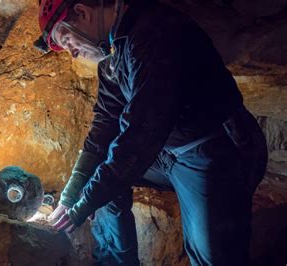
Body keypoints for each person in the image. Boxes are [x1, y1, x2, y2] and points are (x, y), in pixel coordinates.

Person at [37, 0, 268, 265]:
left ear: (83, 12)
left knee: (213, 258)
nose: (73, 53)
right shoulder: (114, 50)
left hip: (212, 149)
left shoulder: (154, 34)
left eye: (67, 41)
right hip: (167, 151)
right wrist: (72, 194)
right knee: (96, 177)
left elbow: (141, 135)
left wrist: (82, 207)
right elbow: (106, 123)